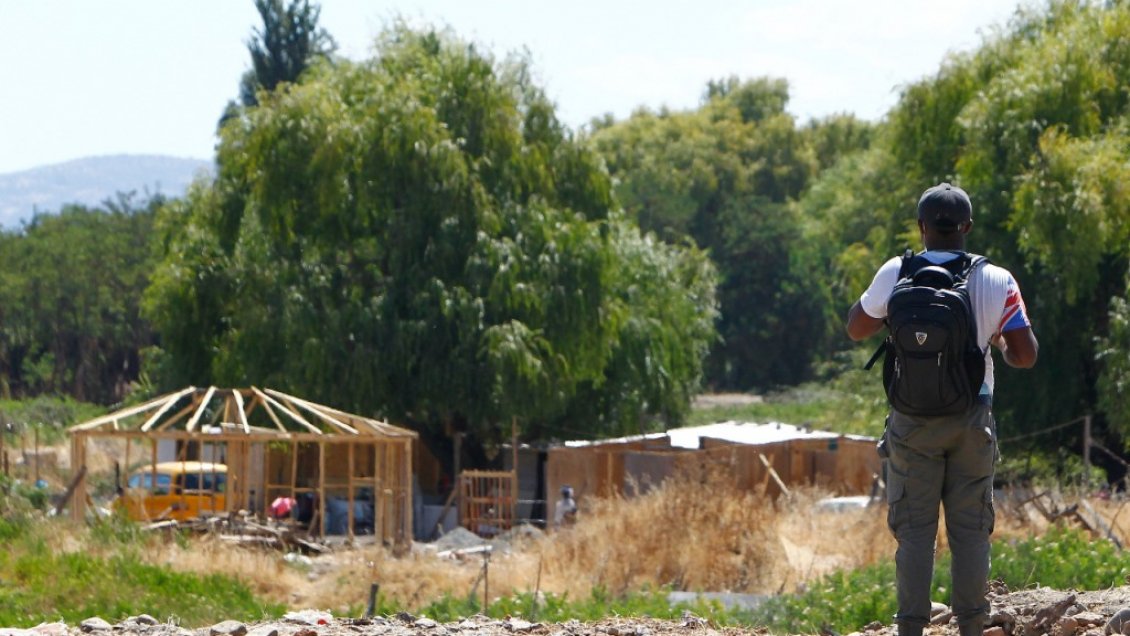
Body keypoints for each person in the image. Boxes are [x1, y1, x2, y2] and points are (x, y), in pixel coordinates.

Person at [846, 182, 1038, 636]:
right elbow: (1025, 355)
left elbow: (856, 328)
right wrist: (998, 345)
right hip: (972, 417)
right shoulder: (997, 279)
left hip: (911, 422)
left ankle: (911, 629)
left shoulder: (897, 271)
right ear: (967, 227)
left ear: (922, 227)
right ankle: (971, 626)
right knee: (970, 531)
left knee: (915, 532)